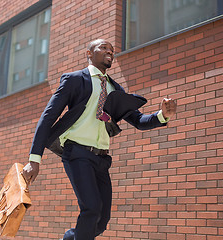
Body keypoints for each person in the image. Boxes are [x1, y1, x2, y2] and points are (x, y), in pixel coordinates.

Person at [22, 39, 177, 240]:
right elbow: (48, 116)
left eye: (111, 49)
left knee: (102, 219)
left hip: (102, 159)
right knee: (91, 209)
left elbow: (138, 120)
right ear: (89, 53)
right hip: (77, 153)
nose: (109, 51)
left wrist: (162, 115)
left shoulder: (115, 89)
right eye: (103, 48)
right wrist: (34, 159)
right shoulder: (74, 80)